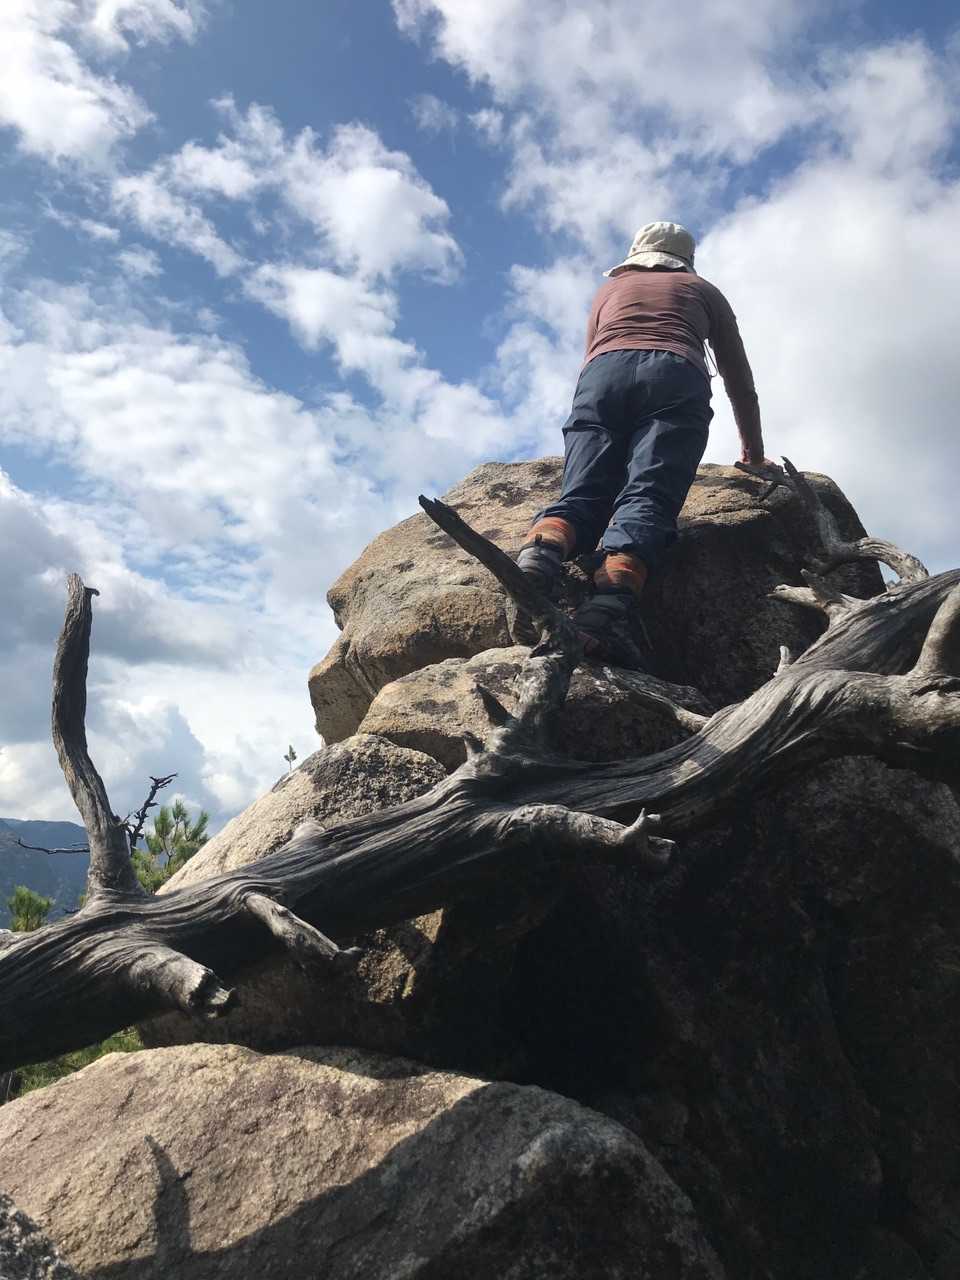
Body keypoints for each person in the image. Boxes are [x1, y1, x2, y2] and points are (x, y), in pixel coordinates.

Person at [517, 221, 768, 661]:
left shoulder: (609, 291)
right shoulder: (702, 290)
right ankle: (606, 607)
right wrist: (753, 452)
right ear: (686, 259)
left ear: (635, 255)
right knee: (649, 492)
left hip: (602, 375)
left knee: (583, 489)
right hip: (676, 375)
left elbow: (591, 355)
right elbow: (738, 377)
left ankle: (543, 550)